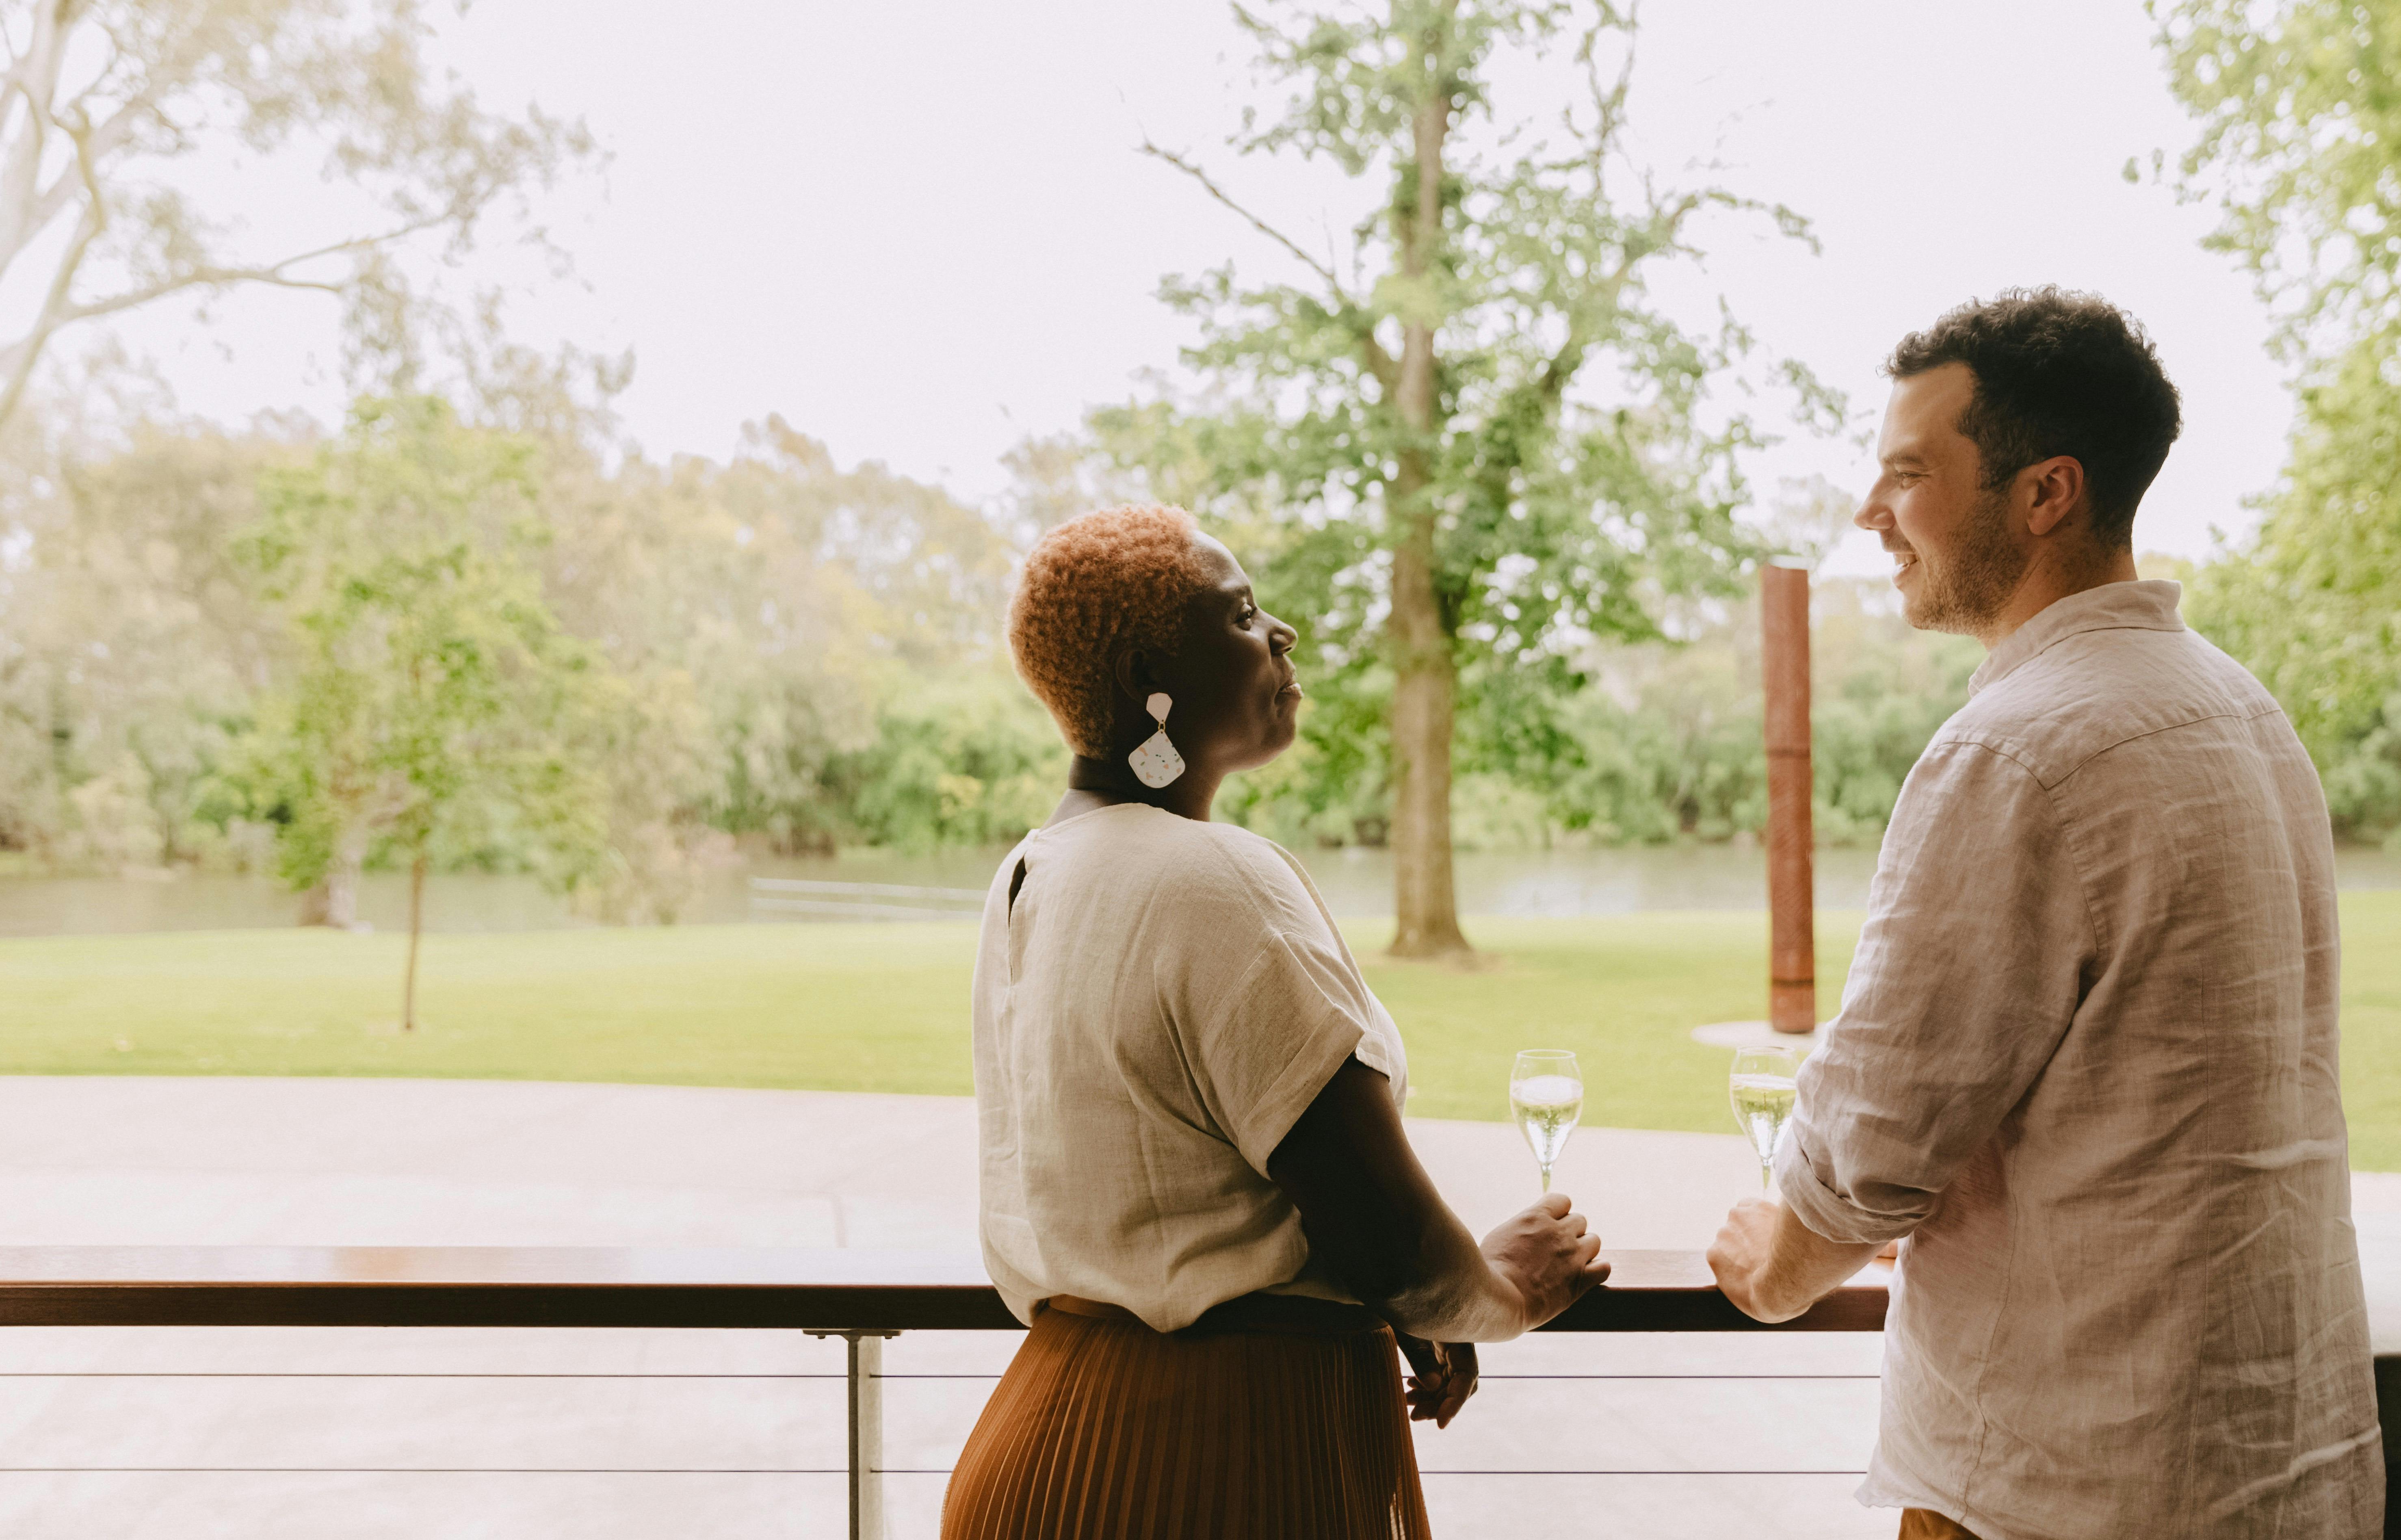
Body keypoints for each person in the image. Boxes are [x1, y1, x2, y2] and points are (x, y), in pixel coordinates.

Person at [1705, 288, 2382, 1538]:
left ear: (2045, 492)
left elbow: (1876, 1135)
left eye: (1909, 474)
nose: (1872, 511)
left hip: (2064, 1487)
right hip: (2286, 1465)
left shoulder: (2014, 752)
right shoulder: (2245, 712)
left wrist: (1778, 1268)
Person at [942, 503, 1607, 1540]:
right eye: (1242, 613)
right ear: (1140, 679)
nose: (1281, 633)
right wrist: (1501, 1291)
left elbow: (1183, 1196)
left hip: (1039, 1450)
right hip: (1219, 1465)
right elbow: (1387, 1241)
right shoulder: (1215, 878)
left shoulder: (1030, 876)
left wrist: (1403, 1304)